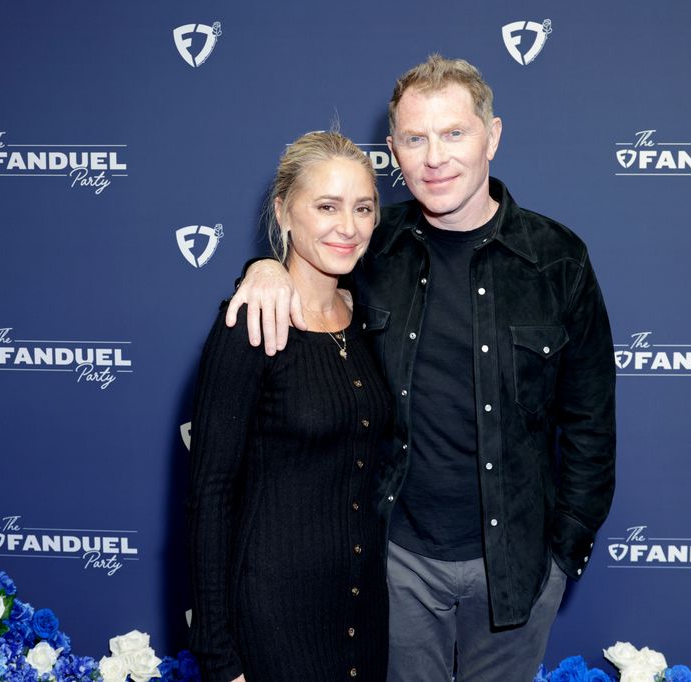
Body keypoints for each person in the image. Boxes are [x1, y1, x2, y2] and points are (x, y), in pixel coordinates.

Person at [228, 55, 616, 682]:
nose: (434, 157)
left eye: (454, 133)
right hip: (392, 563)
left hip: (517, 566)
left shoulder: (558, 260)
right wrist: (262, 268)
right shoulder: (370, 246)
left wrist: (564, 553)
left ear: (492, 136)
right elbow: (302, 266)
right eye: (415, 138)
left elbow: (592, 422)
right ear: (394, 151)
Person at [187, 130, 391, 682]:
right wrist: (218, 655)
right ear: (283, 212)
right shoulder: (249, 325)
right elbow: (209, 496)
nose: (348, 227)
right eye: (326, 206)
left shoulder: (373, 319)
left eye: (363, 208)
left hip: (366, 615)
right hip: (273, 620)